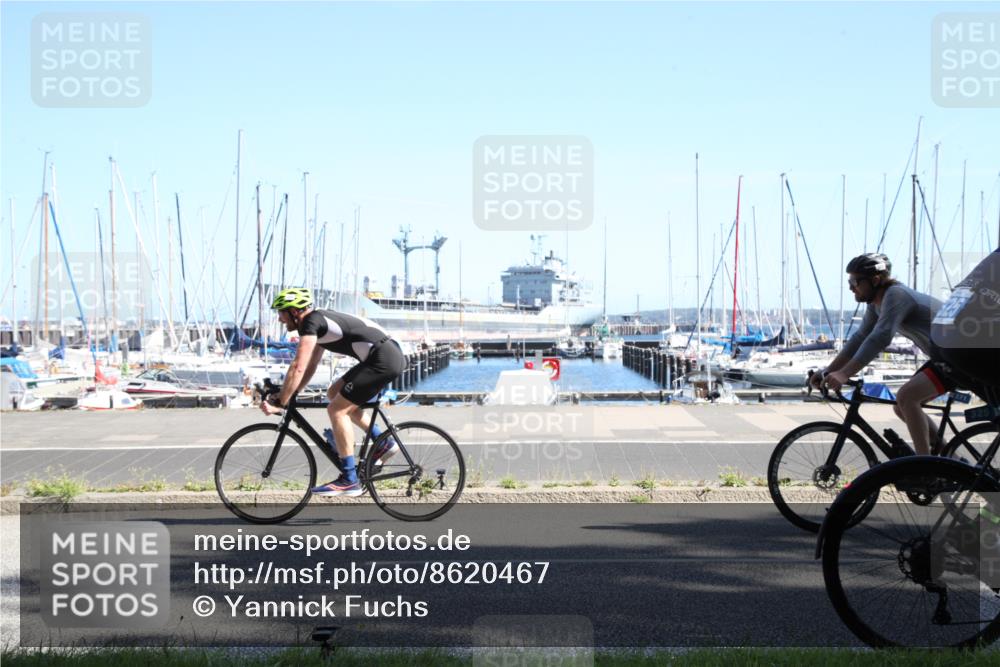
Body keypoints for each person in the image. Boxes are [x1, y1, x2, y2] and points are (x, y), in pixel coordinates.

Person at [261, 287, 407, 496]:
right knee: (334, 393)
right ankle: (382, 442)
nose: (280, 319)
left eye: (281, 312)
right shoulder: (318, 323)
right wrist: (292, 393)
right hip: (384, 355)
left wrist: (281, 401)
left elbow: (298, 366)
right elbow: (310, 366)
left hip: (382, 359)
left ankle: (349, 479)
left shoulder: (311, 323)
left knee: (336, 410)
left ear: (294, 311)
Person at [810, 253, 947, 455]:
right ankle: (949, 458)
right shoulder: (876, 305)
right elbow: (859, 339)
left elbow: (880, 338)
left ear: (875, 280)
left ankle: (924, 467)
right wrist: (829, 370)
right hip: (944, 358)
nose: (850, 287)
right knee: (902, 407)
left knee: (907, 398)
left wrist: (844, 374)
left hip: (959, 356)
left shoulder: (896, 295)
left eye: (855, 281)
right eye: (849, 281)